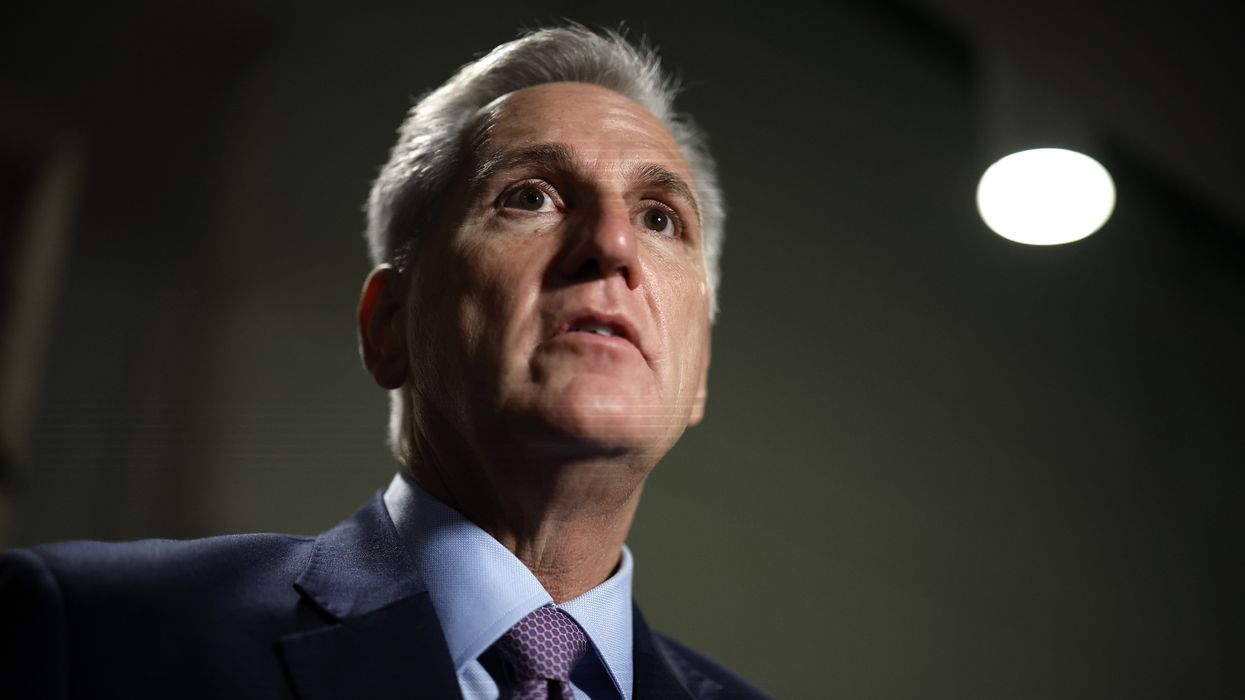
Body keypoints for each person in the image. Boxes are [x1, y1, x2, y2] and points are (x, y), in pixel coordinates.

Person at [0, 26, 766, 700]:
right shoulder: (92, 635)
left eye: (660, 218)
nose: (612, 244)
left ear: (696, 375)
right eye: (530, 196)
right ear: (388, 327)